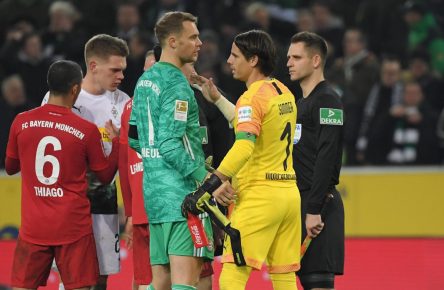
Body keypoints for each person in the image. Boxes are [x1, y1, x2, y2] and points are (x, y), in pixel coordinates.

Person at [129, 12, 235, 290]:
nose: (200, 42)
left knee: (160, 283)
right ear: (173, 42)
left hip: (154, 197)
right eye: (193, 37)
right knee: (186, 283)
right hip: (183, 199)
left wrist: (156, 164)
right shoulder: (178, 86)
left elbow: (133, 138)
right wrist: (206, 179)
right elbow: (169, 143)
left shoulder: (145, 81)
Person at [190, 29, 301, 290]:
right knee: (283, 275)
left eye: (235, 55)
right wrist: (217, 99)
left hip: (259, 196)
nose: (229, 60)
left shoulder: (251, 97)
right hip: (288, 196)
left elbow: (244, 146)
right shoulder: (283, 92)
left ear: (253, 60)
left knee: (233, 272)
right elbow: (250, 124)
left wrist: (212, 182)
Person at [5, 60, 119, 290]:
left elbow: (10, 167)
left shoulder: (21, 121)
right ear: (75, 88)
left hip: (33, 227)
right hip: (73, 228)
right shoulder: (86, 130)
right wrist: (117, 143)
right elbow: (105, 176)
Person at [42, 34, 130, 290]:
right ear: (93, 66)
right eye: (115, 69)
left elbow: (127, 159)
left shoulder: (124, 102)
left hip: (104, 197)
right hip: (68, 199)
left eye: (123, 70)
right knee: (71, 274)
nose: (121, 76)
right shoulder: (59, 98)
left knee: (103, 274)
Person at [287, 31, 345, 289]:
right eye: (289, 57)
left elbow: (327, 155)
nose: (289, 62)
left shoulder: (328, 100)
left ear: (315, 60)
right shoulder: (301, 103)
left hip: (318, 207)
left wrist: (313, 210)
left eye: (297, 57)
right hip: (301, 203)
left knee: (318, 282)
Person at [119, 50, 157, 290]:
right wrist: (131, 213)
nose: (148, 75)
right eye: (146, 70)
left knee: (147, 280)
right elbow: (124, 165)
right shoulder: (128, 108)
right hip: (154, 209)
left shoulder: (129, 106)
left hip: (160, 208)